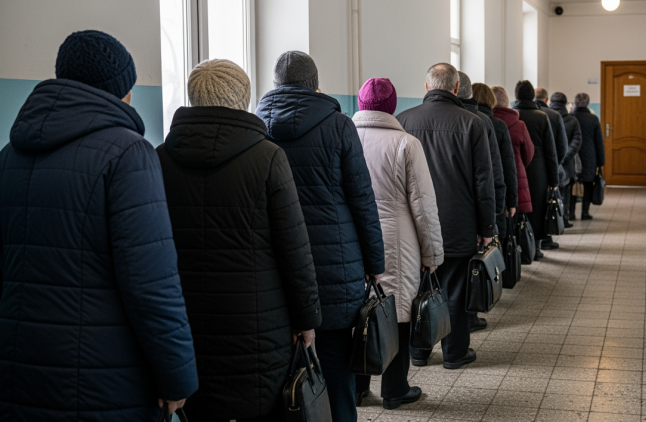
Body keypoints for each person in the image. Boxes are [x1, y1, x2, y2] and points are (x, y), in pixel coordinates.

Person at [0, 30, 198, 421]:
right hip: (103, 380)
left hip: (17, 371)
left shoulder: (10, 155)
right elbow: (152, 284)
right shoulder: (128, 154)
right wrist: (178, 378)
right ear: (120, 91)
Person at [156, 59, 322, 422]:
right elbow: (295, 250)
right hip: (259, 330)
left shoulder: (160, 158)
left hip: (186, 327)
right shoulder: (267, 157)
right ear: (243, 97)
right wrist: (307, 319)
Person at [256, 51, 385, 422]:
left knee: (284, 379)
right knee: (337, 375)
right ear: (315, 84)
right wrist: (375, 264)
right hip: (335, 269)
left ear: (277, 83)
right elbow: (362, 199)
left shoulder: (256, 124)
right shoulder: (339, 125)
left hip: (275, 272)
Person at [351, 78, 444, 410]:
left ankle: (358, 388)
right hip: (397, 242)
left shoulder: (345, 137)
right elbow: (422, 204)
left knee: (359, 314)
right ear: (392, 106)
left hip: (353, 239)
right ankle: (394, 389)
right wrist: (432, 254)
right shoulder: (406, 144)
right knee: (398, 314)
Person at [397, 63, 495, 370]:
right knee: (455, 290)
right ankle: (455, 353)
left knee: (418, 289)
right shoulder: (472, 123)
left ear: (426, 87)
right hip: (458, 223)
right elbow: (483, 181)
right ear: (456, 89)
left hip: (413, 225)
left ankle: (418, 352)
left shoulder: (403, 120)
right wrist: (487, 227)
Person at [457, 72, 504, 333]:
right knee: (467, 273)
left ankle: (421, 346)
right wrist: (490, 224)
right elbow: (490, 174)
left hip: (425, 218)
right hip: (467, 215)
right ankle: (459, 342)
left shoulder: (407, 120)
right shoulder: (480, 122)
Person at [511, 81, 559, 260]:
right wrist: (554, 180)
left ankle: (517, 248)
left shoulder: (512, 115)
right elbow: (550, 152)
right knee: (537, 210)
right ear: (532, 96)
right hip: (538, 170)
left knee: (516, 208)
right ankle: (536, 249)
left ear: (516, 95)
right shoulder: (541, 117)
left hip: (516, 168)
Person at [473, 83, 518, 242]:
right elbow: (507, 166)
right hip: (494, 194)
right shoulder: (498, 125)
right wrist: (511, 201)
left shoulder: (465, 120)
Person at [492, 86, 534, 233]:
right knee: (514, 227)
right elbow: (528, 153)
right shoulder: (519, 124)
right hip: (515, 176)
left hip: (492, 180)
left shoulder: (484, 121)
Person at [534, 87, 569, 249]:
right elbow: (562, 146)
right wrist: (555, 166)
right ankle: (545, 240)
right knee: (546, 205)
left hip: (525, 170)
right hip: (546, 169)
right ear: (546, 99)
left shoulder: (515, 113)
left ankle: (530, 243)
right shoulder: (553, 116)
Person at [571, 92, 605, 220]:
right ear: (588, 103)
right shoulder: (593, 119)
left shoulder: (570, 117)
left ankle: (571, 213)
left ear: (575, 103)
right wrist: (601, 162)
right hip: (590, 156)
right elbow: (599, 142)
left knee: (572, 185)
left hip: (573, 156)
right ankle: (585, 212)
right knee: (588, 185)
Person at [550, 92, 582, 227]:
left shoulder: (545, 116)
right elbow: (577, 141)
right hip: (567, 162)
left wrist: (553, 157)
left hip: (549, 162)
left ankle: (551, 220)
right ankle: (564, 219)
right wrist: (565, 157)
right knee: (566, 191)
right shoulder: (572, 120)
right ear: (565, 103)